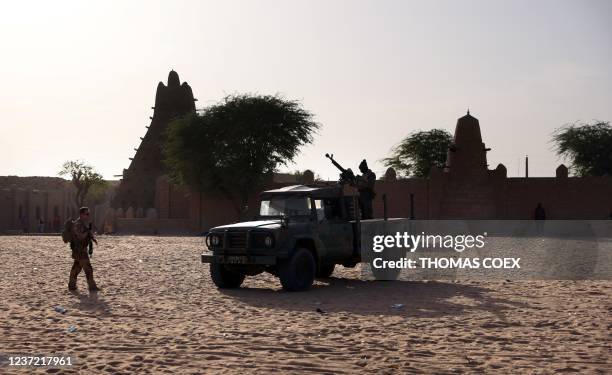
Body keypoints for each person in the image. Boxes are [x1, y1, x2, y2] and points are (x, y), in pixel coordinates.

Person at [68, 207, 99, 292]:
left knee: (76, 268)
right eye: (87, 214)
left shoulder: (82, 223)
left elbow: (87, 234)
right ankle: (92, 286)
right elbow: (81, 236)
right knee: (88, 268)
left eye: (88, 214)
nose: (88, 216)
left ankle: (71, 285)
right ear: (81, 214)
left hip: (81, 249)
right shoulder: (77, 224)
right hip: (80, 250)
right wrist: (88, 231)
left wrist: (92, 238)